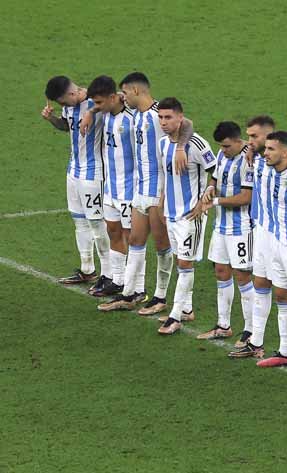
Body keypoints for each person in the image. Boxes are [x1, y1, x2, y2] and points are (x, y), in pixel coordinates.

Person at [95, 73, 189, 313]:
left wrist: (180, 147)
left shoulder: (159, 113)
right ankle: (129, 295)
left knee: (161, 245)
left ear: (135, 91)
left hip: (159, 191)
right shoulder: (134, 114)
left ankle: (160, 297)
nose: (122, 97)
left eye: (125, 93)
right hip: (140, 189)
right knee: (136, 241)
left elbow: (186, 123)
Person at [154, 98, 216, 335]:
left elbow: (217, 173)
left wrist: (204, 202)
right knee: (180, 259)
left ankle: (175, 316)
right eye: (161, 117)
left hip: (191, 215)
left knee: (184, 264)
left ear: (181, 118)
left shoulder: (197, 144)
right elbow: (165, 175)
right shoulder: (162, 144)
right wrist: (160, 202)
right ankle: (187, 309)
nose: (163, 122)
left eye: (168, 117)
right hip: (170, 212)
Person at [42, 75, 108, 286]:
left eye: (62, 102)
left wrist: (91, 111)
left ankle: (109, 275)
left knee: (97, 224)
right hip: (73, 172)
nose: (62, 106)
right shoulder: (70, 106)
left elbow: (119, 99)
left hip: (93, 173)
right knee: (80, 221)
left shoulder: (96, 102)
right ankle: (88, 269)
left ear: (71, 94)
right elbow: (67, 126)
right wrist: (52, 119)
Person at [227, 115, 281, 356]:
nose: (249, 141)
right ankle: (255, 341)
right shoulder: (255, 160)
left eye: (253, 136)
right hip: (260, 231)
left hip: (284, 238)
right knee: (260, 284)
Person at [195, 121, 253, 339]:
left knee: (242, 277)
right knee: (221, 272)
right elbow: (216, 177)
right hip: (221, 226)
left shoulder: (248, 160)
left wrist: (216, 201)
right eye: (221, 146)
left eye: (227, 146)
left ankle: (250, 330)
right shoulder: (222, 155)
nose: (223, 150)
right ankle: (223, 325)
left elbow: (247, 197)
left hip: (241, 228)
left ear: (239, 141)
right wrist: (210, 187)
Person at [251, 131, 287, 367]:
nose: (265, 153)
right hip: (270, 238)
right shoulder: (260, 164)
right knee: (281, 295)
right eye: (265, 148)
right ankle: (285, 351)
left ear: (285, 152)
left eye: (271, 149)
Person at [84, 76, 135, 298]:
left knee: (132, 237)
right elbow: (98, 105)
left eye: (98, 103)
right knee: (113, 231)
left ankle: (134, 285)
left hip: (130, 190)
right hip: (110, 189)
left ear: (114, 98)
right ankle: (118, 279)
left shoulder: (133, 120)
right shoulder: (106, 115)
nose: (96, 107)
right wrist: (92, 112)